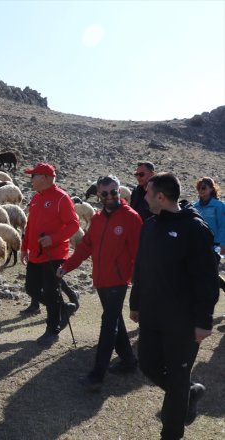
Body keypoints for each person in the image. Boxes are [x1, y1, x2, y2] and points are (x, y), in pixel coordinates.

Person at [130, 173, 219, 440]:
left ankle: (171, 433)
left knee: (178, 379)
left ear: (161, 196)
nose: (144, 197)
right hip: (152, 315)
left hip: (183, 322)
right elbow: (141, 268)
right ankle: (190, 393)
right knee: (147, 364)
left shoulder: (195, 229)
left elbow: (207, 281)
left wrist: (204, 321)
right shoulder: (150, 226)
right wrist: (135, 303)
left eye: (148, 193)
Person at [57, 175, 142, 391]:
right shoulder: (96, 219)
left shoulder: (131, 218)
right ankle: (129, 362)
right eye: (105, 193)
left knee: (108, 324)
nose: (111, 196)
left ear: (119, 191)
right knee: (115, 321)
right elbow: (85, 247)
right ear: (98, 195)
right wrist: (66, 266)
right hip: (101, 279)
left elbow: (138, 254)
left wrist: (136, 282)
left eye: (114, 192)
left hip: (118, 281)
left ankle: (97, 375)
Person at [21, 162, 80, 346]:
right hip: (36, 254)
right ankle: (63, 309)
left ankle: (52, 330)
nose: (31, 179)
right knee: (31, 288)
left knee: (50, 291)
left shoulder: (62, 198)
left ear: (45, 177)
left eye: (34, 176)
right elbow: (30, 225)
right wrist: (24, 247)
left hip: (53, 254)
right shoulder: (37, 198)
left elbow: (74, 224)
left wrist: (53, 239)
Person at [192, 177, 225, 256]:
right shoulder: (194, 206)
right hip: (197, 244)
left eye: (203, 188)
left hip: (214, 245)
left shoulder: (219, 206)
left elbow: (223, 225)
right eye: (198, 188)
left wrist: (222, 243)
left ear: (211, 189)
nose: (200, 190)